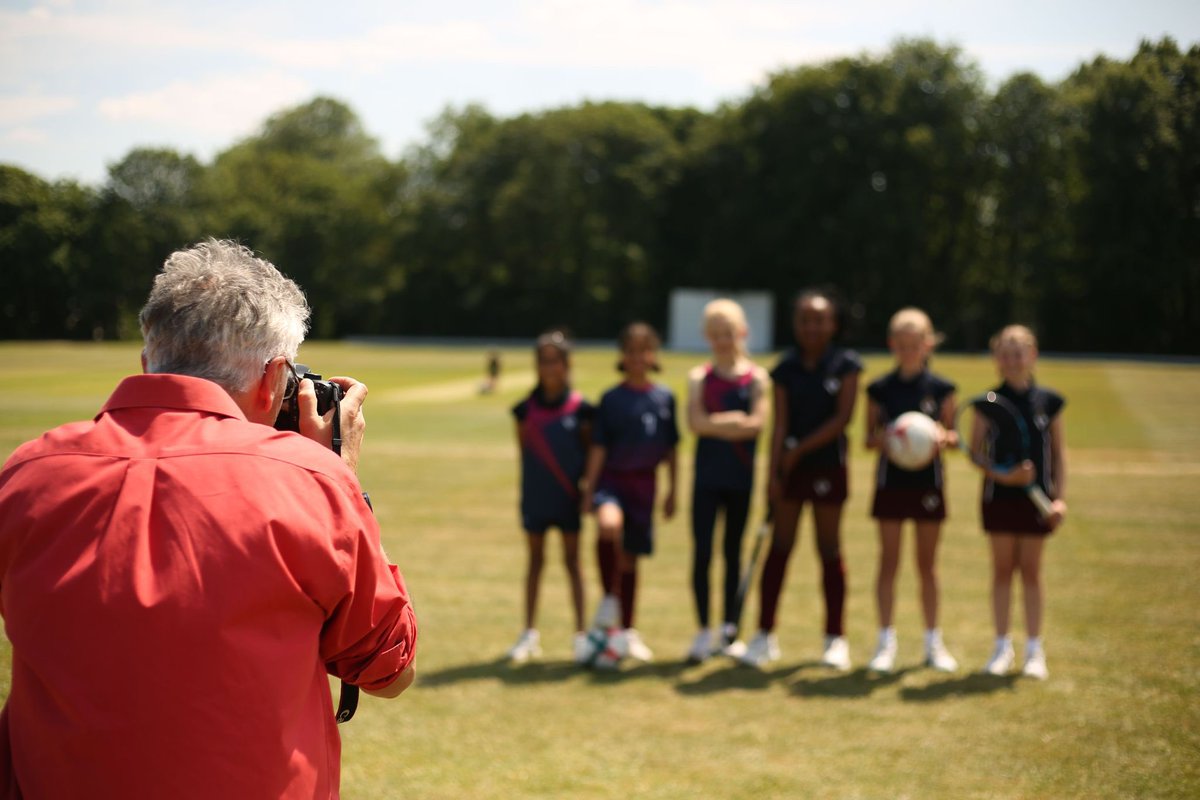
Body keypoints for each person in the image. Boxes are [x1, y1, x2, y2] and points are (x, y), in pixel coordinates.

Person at [0, 240, 417, 799]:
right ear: (275, 379)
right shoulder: (309, 481)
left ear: (149, 361)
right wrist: (340, 476)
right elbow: (389, 669)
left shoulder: (28, 472)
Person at [739, 289, 862, 670]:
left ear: (833, 323)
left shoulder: (846, 364)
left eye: (820, 319)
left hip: (827, 467)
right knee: (780, 547)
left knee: (828, 549)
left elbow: (842, 420)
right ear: (796, 324)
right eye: (805, 319)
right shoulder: (785, 367)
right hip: (790, 471)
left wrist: (799, 450)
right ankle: (763, 635)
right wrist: (774, 473)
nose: (812, 326)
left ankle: (834, 638)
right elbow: (780, 425)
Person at [862, 308, 959, 673]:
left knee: (927, 565)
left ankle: (933, 642)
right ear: (892, 345)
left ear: (927, 344)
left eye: (914, 344)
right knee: (888, 561)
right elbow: (868, 439)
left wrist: (940, 437)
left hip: (928, 483)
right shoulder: (879, 390)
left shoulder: (942, 389)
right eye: (900, 345)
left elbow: (952, 436)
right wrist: (886, 440)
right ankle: (885, 641)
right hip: (891, 482)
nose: (907, 350)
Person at [971, 325, 1067, 680]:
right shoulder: (987, 404)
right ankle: (1001, 647)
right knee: (1001, 571)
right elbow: (976, 454)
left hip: (1036, 502)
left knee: (1030, 572)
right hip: (999, 498)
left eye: (1019, 352)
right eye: (1005, 353)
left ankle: (1034, 650)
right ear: (997, 360)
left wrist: (1059, 499)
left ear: (1033, 356)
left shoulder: (1049, 402)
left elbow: (1058, 454)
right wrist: (1004, 476)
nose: (1012, 360)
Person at [581, 322, 679, 666]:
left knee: (631, 559)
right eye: (631, 350)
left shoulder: (664, 397)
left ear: (653, 355)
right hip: (613, 482)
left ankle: (628, 631)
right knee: (609, 528)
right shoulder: (611, 399)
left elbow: (671, 449)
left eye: (644, 350)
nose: (638, 357)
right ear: (623, 356)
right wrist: (590, 489)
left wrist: (673, 491)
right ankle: (609, 598)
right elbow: (599, 447)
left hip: (646, 486)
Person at [684, 300, 769, 662]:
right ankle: (704, 630)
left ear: (742, 332)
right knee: (703, 553)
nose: (722, 340)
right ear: (707, 336)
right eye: (715, 334)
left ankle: (730, 631)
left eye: (729, 333)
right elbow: (696, 423)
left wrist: (719, 422)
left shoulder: (758, 378)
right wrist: (734, 421)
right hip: (706, 479)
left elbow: (757, 425)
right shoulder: (699, 378)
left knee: (733, 554)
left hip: (740, 479)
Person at [508, 330, 593, 664]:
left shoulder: (582, 409)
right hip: (536, 498)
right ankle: (529, 634)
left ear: (567, 364)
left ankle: (581, 636)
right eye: (543, 361)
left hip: (568, 498)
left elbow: (587, 455)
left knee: (574, 564)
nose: (549, 367)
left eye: (556, 361)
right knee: (535, 563)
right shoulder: (523, 410)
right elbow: (524, 452)